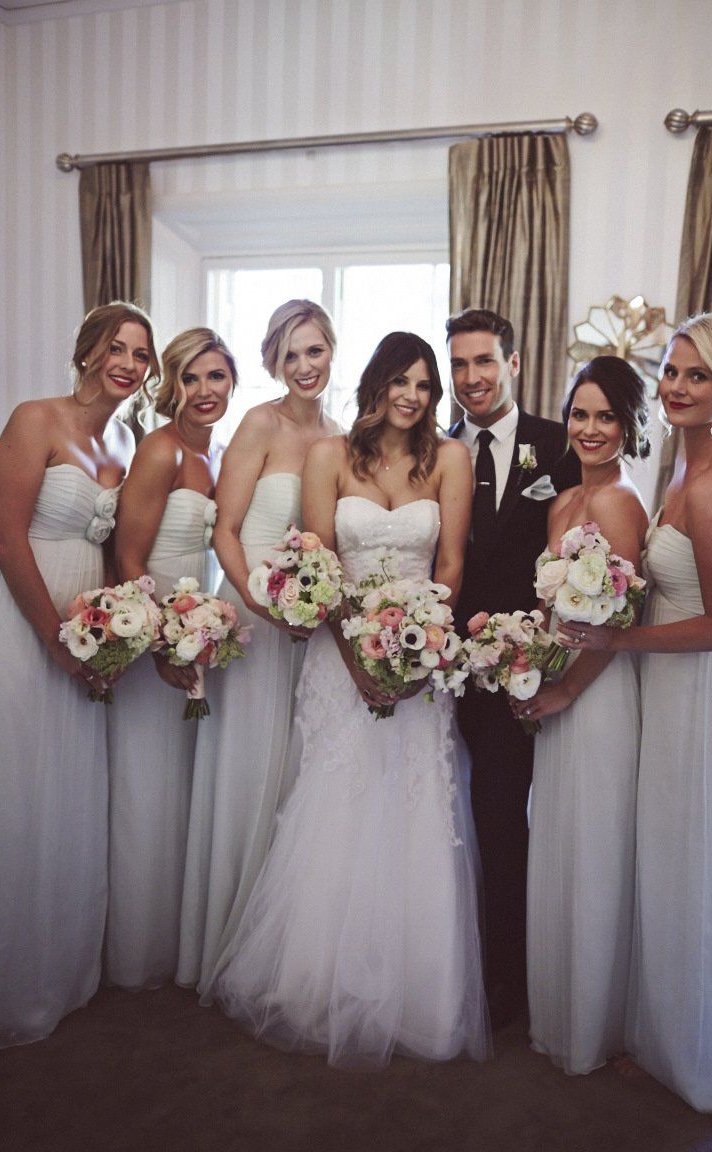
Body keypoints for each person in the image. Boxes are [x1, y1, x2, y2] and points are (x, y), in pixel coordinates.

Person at [210, 332, 490, 1068]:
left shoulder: (450, 459)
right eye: (401, 380)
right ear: (375, 383)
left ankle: (417, 990)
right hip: (341, 663)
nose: (413, 396)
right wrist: (359, 654)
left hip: (421, 664)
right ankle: (318, 982)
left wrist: (421, 646)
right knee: (339, 802)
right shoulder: (329, 457)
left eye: (425, 386)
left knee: (413, 806)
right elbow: (319, 566)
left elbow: (452, 562)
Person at [564, 313, 712, 1114]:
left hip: (708, 698)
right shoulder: (686, 463)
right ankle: (668, 1038)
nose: (677, 388)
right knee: (668, 866)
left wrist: (619, 636)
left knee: (704, 871)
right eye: (672, 372)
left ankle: (709, 1059)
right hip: (670, 690)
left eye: (697, 377)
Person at [0, 302, 159, 1047]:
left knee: (68, 793)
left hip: (86, 632)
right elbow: (3, 536)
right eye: (117, 347)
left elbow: (121, 550)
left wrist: (109, 638)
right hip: (23, 620)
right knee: (18, 791)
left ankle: (58, 972)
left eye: (141, 354)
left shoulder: (126, 439)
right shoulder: (36, 418)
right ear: (89, 350)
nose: (128, 362)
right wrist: (52, 637)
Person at [177, 300, 340, 996]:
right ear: (275, 360)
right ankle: (221, 937)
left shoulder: (340, 435)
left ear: (333, 350)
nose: (305, 366)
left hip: (311, 627)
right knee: (248, 773)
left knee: (299, 778)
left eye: (316, 351)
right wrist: (263, 605)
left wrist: (316, 604)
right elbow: (227, 529)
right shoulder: (259, 424)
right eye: (291, 354)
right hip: (252, 617)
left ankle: (276, 948)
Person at [510, 356, 649, 1074]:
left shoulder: (621, 502)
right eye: (579, 414)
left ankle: (593, 1027)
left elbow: (621, 624)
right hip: (558, 687)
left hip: (596, 696)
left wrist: (565, 689)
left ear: (627, 425)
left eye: (605, 416)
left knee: (592, 848)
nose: (589, 429)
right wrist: (521, 659)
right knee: (557, 840)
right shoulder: (563, 500)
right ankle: (559, 1014)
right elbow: (550, 611)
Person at [447, 307, 580, 1026]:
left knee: (503, 819)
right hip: (440, 665)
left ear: (515, 363)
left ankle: (510, 983)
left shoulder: (559, 445)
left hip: (520, 666)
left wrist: (541, 650)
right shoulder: (439, 450)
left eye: (484, 362)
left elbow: (575, 557)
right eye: (460, 365)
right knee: (449, 821)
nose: (471, 379)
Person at [106, 328, 236, 990]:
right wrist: (157, 645)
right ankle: (136, 955)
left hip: (191, 632)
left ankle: (171, 943)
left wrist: (196, 632)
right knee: (146, 789)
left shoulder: (212, 455)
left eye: (216, 377)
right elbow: (128, 558)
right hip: (155, 635)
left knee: (180, 791)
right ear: (171, 386)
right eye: (191, 378)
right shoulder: (159, 451)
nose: (205, 391)